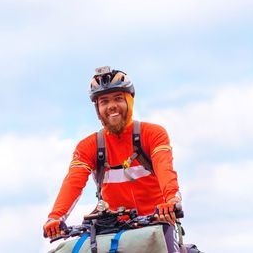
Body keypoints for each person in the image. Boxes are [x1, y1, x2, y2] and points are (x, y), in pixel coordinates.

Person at [43, 66, 183, 252]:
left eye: (118, 98)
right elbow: (73, 182)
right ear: (98, 108)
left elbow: (165, 168)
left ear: (129, 101)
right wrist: (55, 218)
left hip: (156, 223)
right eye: (104, 101)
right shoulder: (89, 146)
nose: (111, 106)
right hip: (112, 230)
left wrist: (172, 201)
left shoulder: (152, 134)